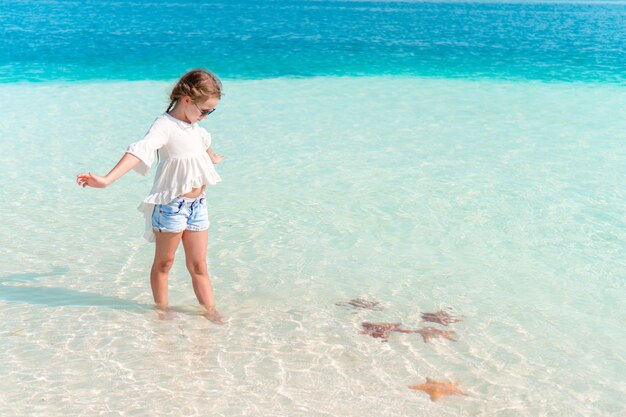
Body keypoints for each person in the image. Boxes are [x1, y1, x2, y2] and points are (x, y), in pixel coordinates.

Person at [76, 68, 225, 323]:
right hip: (171, 206)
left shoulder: (195, 126)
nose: (206, 116)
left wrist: (211, 157)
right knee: (164, 263)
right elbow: (139, 151)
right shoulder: (164, 126)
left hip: (198, 205)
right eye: (204, 110)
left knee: (199, 265)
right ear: (187, 99)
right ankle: (162, 313)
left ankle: (211, 313)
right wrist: (106, 180)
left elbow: (203, 141)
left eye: (212, 111)